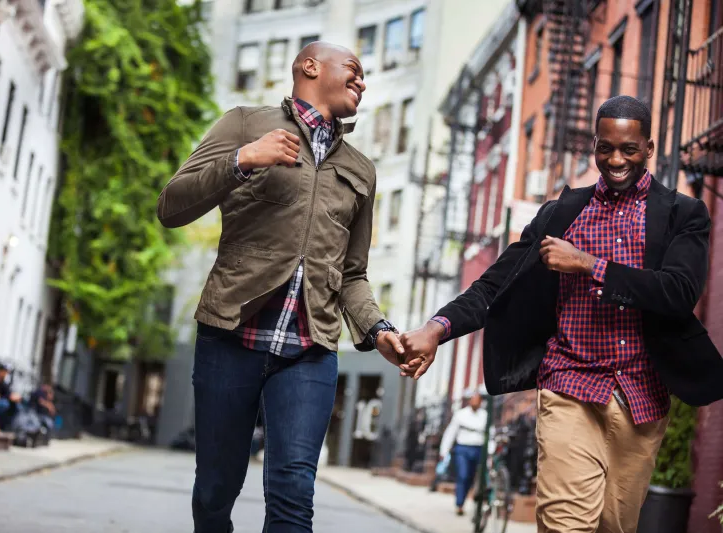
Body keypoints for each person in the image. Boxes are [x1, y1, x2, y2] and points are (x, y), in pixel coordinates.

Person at [400, 95, 723, 533]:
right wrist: (438, 328)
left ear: (648, 148)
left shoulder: (682, 214)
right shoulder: (562, 214)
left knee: (616, 526)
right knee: (565, 525)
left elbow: (678, 291)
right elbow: (496, 283)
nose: (615, 159)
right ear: (594, 145)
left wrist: (589, 264)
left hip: (641, 397)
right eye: (604, 147)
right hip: (570, 385)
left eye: (628, 149)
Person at [157, 41, 404, 532]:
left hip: (309, 350)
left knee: (294, 494)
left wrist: (378, 329)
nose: (362, 81)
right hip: (231, 338)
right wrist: (242, 160)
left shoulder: (360, 170)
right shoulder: (246, 124)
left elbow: (351, 274)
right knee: (215, 491)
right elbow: (172, 206)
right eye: (353, 69)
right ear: (309, 66)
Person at [438, 392, 487, 516]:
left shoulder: (485, 415)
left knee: (471, 478)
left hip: (478, 448)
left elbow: (489, 434)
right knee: (463, 475)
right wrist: (444, 450)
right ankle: (459, 504)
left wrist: (490, 451)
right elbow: (451, 433)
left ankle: (463, 500)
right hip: (463, 449)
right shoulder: (461, 415)